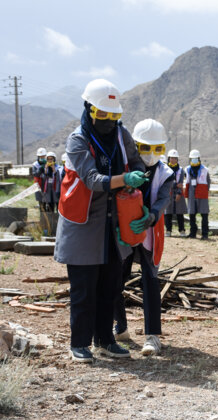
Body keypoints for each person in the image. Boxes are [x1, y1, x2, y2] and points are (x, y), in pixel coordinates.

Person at [54, 78, 149, 363]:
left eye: (114, 116)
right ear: (88, 109)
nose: (109, 121)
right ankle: (80, 344)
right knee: (84, 289)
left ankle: (105, 341)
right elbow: (93, 179)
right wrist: (124, 179)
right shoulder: (78, 140)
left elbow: (138, 163)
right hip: (83, 225)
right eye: (102, 115)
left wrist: (138, 185)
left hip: (113, 224)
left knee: (110, 287)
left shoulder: (122, 136)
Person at [113, 119, 174, 356]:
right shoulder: (124, 169)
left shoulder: (166, 173)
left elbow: (163, 198)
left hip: (150, 232)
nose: (151, 154)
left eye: (157, 149)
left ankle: (152, 336)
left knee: (150, 279)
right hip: (124, 231)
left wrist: (152, 215)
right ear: (135, 145)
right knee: (116, 279)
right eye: (145, 148)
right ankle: (121, 327)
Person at [184, 149, 211, 240]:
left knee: (204, 214)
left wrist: (204, 191)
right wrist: (187, 194)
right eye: (192, 159)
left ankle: (205, 234)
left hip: (202, 193)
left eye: (195, 159)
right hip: (192, 194)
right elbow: (187, 182)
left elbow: (208, 182)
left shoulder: (205, 170)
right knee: (191, 214)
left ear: (199, 159)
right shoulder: (187, 169)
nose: (194, 160)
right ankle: (193, 233)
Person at [164, 149, 187, 237]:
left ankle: (182, 230)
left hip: (178, 193)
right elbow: (166, 182)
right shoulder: (165, 169)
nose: (173, 160)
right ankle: (168, 230)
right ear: (169, 159)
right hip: (168, 192)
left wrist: (179, 192)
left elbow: (181, 183)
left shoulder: (181, 170)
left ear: (177, 159)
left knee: (179, 213)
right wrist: (175, 184)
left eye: (175, 158)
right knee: (168, 212)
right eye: (171, 158)